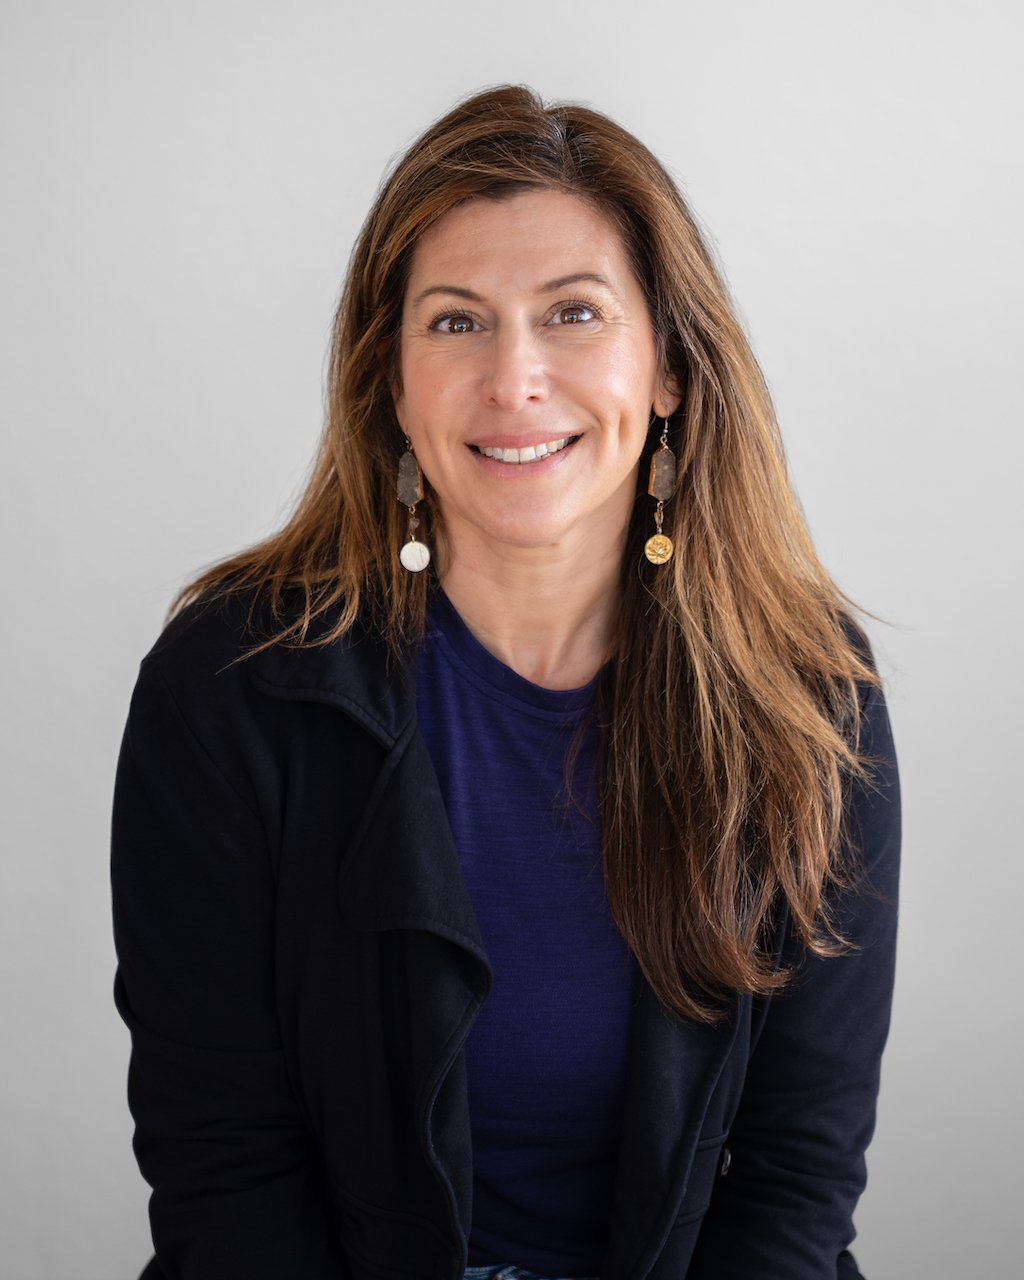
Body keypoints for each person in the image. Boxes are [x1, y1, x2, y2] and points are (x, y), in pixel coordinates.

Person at [111, 85, 900, 1280]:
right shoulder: (229, 684)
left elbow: (797, 1176)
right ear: (389, 380)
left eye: (573, 313)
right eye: (455, 322)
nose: (514, 379)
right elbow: (222, 1164)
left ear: (671, 368)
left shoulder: (807, 694)